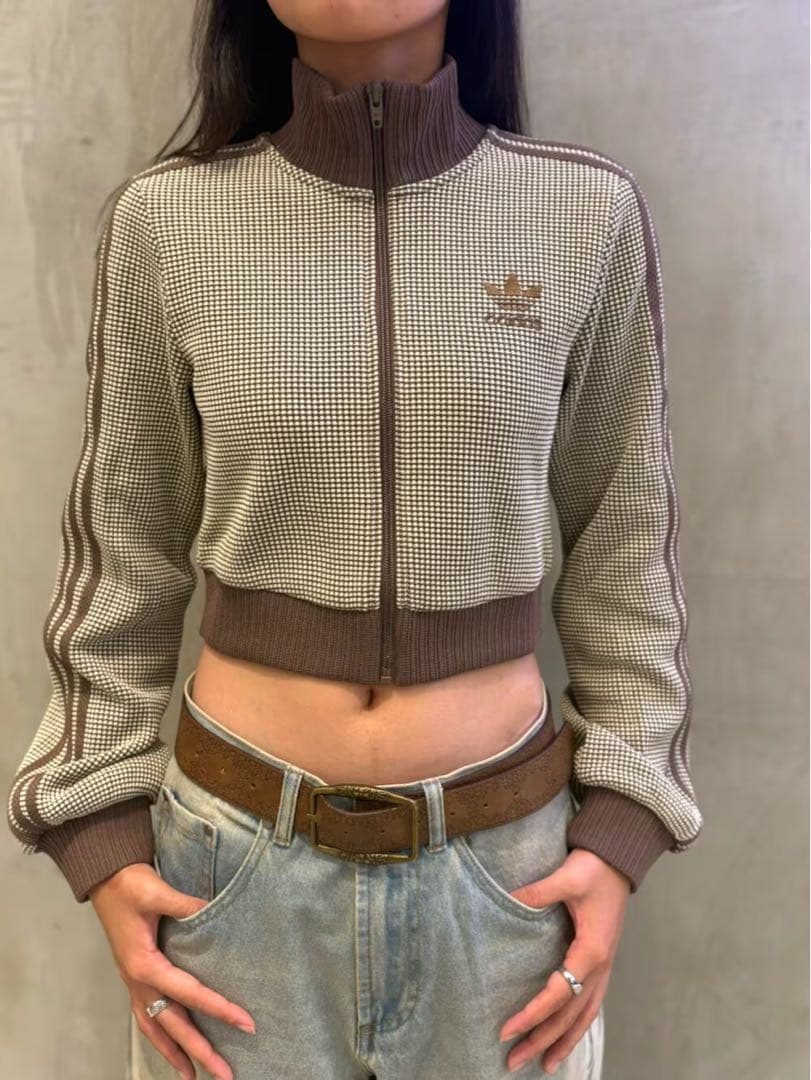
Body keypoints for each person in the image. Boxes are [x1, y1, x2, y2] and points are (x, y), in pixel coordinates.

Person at [6, 2, 704, 1077]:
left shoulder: (582, 213)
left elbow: (626, 551)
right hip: (231, 884)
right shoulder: (169, 221)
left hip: (506, 886)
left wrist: (621, 830)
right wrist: (98, 837)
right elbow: (120, 554)